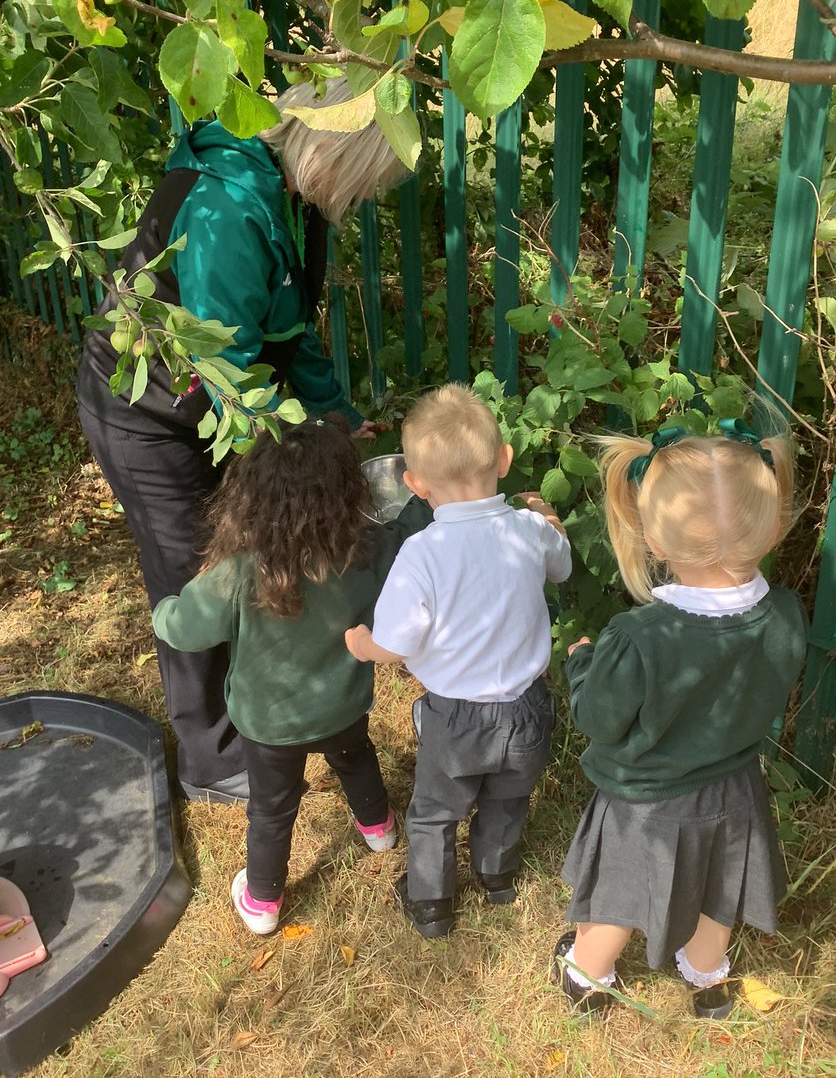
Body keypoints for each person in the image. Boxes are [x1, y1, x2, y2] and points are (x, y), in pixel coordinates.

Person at [77, 79, 408, 804]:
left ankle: (263, 700)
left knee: (241, 552)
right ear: (335, 152)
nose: (364, 199)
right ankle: (214, 759)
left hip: (215, 399)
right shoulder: (227, 211)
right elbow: (224, 368)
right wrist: (307, 454)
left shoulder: (288, 194)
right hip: (151, 412)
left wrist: (335, 420)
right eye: (367, 181)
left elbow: (288, 335)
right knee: (198, 570)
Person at [555, 420, 806, 1018]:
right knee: (720, 884)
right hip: (736, 783)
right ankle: (707, 973)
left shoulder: (640, 636)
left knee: (620, 891)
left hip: (647, 799)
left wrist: (582, 664)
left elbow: (599, 719)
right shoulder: (787, 614)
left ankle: (587, 974)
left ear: (654, 542)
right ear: (771, 527)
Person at [151, 416, 431, 933]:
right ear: (348, 490)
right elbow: (405, 532)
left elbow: (185, 630)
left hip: (269, 725)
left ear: (251, 494)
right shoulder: (361, 549)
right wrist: (428, 489)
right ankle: (379, 828)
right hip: (345, 703)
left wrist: (163, 610)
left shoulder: (239, 569)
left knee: (273, 808)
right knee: (354, 756)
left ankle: (262, 902)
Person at [345, 384, 571, 937]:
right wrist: (550, 520)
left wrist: (362, 644)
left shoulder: (422, 552)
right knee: (508, 798)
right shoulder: (529, 530)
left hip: (455, 718)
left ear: (415, 484)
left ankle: (431, 903)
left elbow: (397, 642)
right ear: (504, 459)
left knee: (435, 812)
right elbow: (561, 569)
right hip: (527, 709)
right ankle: (497, 877)